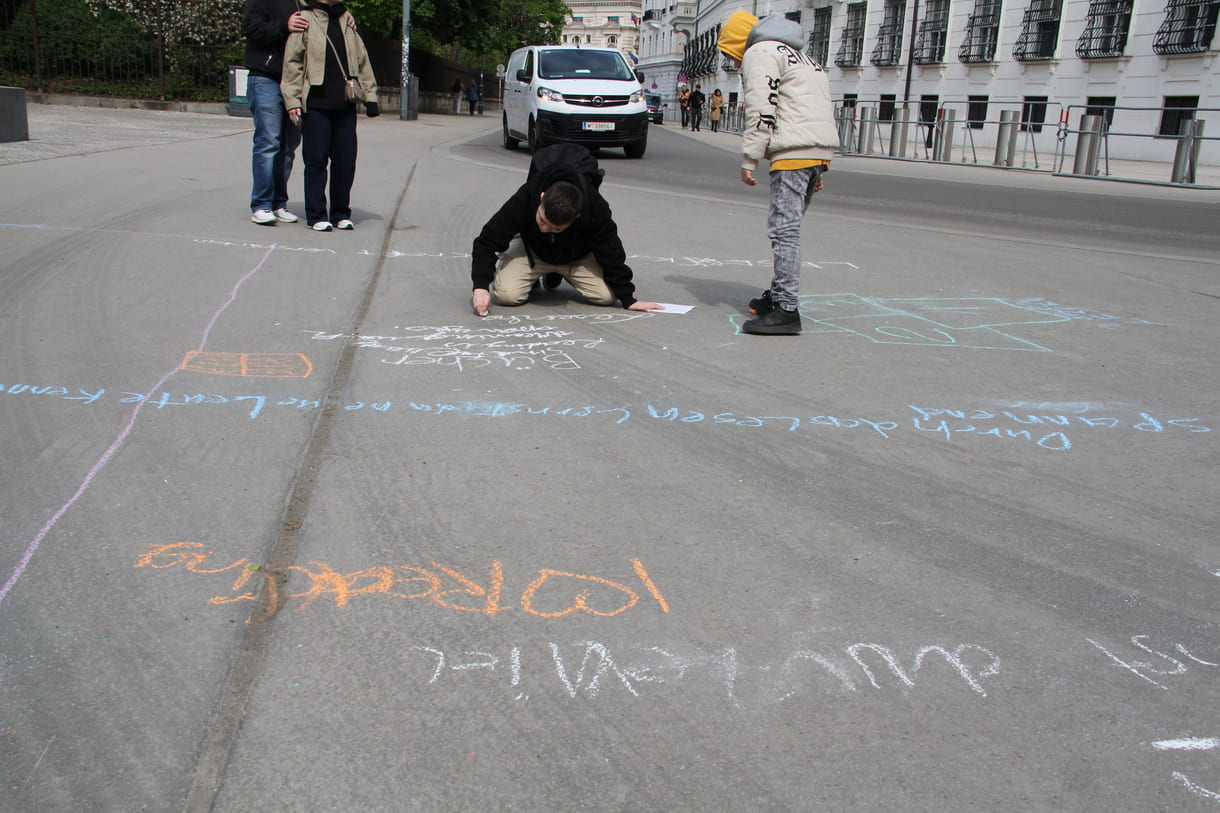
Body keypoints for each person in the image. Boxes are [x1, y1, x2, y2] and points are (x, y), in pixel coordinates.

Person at [717, 10, 839, 335]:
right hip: (815, 150)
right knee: (790, 227)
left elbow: (762, 107)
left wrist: (750, 157)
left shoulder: (760, 52)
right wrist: (819, 164)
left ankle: (786, 309)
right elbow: (817, 106)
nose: (735, 60)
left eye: (732, 53)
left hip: (792, 153)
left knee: (784, 231)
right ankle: (779, 296)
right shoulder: (802, 55)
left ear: (742, 41)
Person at [470, 144, 663, 317]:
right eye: (542, 220)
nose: (546, 229)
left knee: (607, 297)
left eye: (556, 228)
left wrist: (629, 299)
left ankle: (559, 273)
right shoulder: (527, 196)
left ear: (576, 216)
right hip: (534, 252)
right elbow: (487, 240)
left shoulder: (595, 208)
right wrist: (480, 287)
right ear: (542, 197)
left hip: (575, 257)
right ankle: (527, 270)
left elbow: (610, 249)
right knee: (507, 296)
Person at [281, 0, 379, 232]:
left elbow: (362, 60)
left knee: (346, 161)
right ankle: (316, 214)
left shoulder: (346, 19)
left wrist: (371, 96)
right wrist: (292, 100)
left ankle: (340, 213)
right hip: (315, 103)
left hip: (345, 104)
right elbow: (292, 62)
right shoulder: (306, 18)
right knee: (316, 161)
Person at [242, 0, 308, 226]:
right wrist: (283, 25)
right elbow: (250, 27)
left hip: (295, 83)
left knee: (289, 146)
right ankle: (261, 204)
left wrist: (344, 17)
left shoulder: (305, 3)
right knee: (269, 142)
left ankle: (279, 203)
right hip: (266, 77)